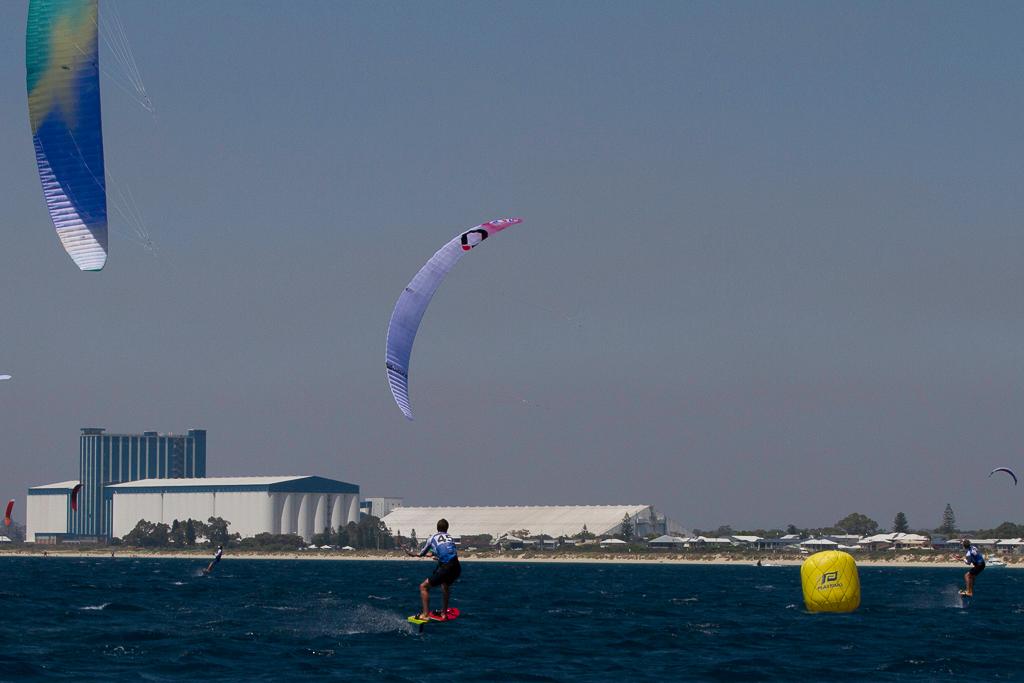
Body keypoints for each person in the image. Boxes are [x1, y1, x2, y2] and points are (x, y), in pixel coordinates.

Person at [406, 518, 460, 620]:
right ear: (447, 529)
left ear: (437, 528)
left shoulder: (432, 538)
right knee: (445, 585)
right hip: (457, 567)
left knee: (423, 587)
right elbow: (447, 551)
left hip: (446, 567)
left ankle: (425, 615)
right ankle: (443, 613)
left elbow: (422, 553)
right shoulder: (450, 537)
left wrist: (412, 554)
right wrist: (434, 555)